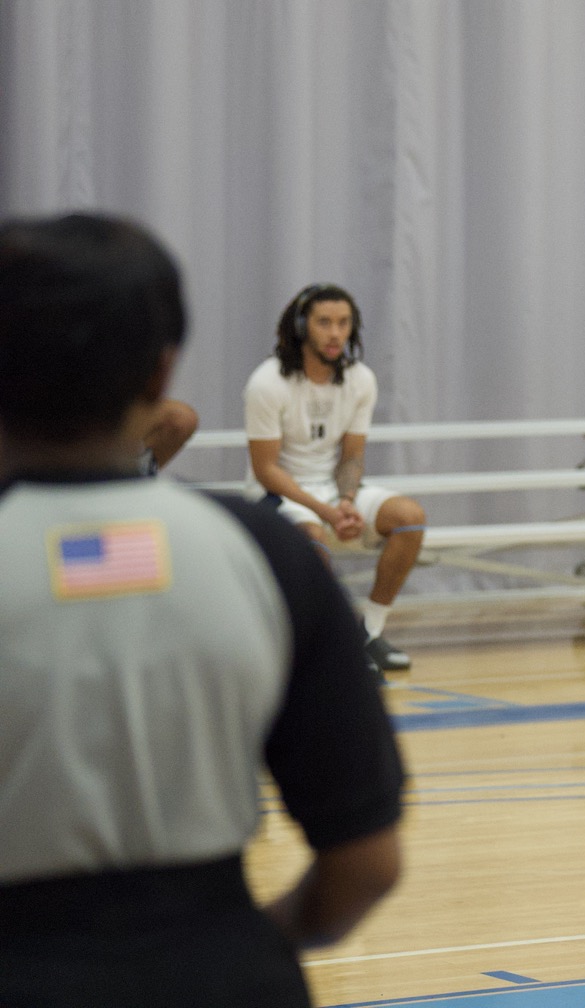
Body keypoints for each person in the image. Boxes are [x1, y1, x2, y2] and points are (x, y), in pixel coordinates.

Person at [0, 214, 404, 1006]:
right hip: (221, 967)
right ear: (161, 372)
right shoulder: (263, 553)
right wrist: (237, 947)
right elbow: (366, 864)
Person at [245, 284, 423, 673]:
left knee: (409, 516)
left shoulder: (361, 379)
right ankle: (324, 650)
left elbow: (352, 455)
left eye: (343, 323)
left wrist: (345, 500)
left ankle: (369, 634)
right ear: (301, 326)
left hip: (330, 490)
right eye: (324, 322)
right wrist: (324, 512)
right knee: (312, 542)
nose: (335, 333)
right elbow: (266, 469)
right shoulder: (267, 382)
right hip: (279, 492)